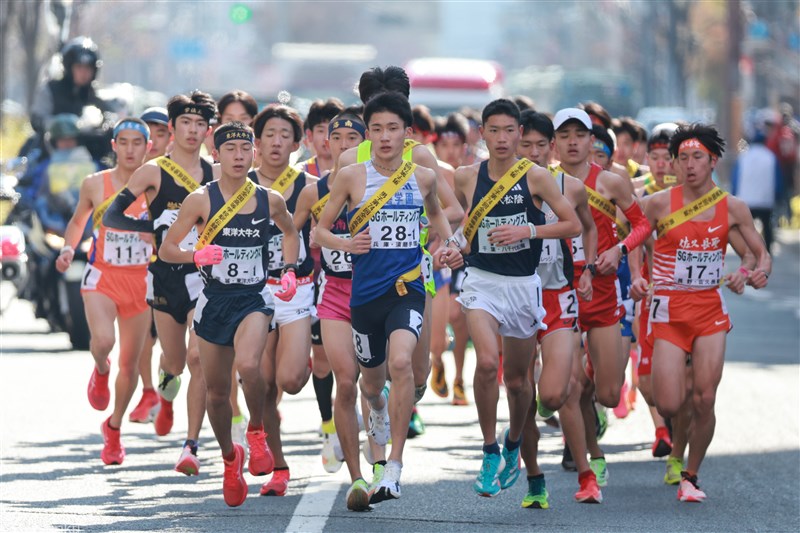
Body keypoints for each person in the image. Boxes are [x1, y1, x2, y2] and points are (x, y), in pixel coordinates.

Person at [315, 90, 463, 504]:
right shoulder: (350, 176)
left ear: (407, 134)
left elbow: (439, 217)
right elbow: (320, 231)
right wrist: (348, 244)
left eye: (392, 129)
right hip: (364, 295)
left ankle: (394, 465)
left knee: (403, 362)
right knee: (371, 384)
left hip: (408, 287)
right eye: (376, 129)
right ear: (369, 133)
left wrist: (449, 246)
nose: (384, 137)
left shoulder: (424, 176)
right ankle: (377, 413)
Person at [158, 121, 298, 507]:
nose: (239, 156)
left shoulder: (270, 199)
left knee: (251, 367)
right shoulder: (200, 200)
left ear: (253, 153)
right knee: (217, 394)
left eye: (244, 148)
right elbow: (167, 249)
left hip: (253, 299)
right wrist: (195, 256)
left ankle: (256, 432)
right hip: (213, 301)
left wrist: (286, 270)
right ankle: (229, 457)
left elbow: (290, 233)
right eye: (230, 149)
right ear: (215, 155)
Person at [452, 99, 580, 498]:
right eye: (495, 130)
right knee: (487, 362)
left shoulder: (538, 178)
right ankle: (489, 449)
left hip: (523, 286)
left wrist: (529, 231)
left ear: (520, 134)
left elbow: (572, 223)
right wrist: (453, 247)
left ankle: (513, 443)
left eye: (510, 131)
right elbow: (464, 226)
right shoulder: (465, 177)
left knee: (520, 382)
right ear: (483, 133)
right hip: (481, 282)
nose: (503, 139)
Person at [640, 123, 771, 502]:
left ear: (712, 160)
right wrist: (632, 268)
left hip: (708, 310)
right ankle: (677, 437)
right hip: (668, 311)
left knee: (705, 398)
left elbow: (758, 252)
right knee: (668, 402)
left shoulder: (732, 207)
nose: (690, 165)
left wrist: (752, 272)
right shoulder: (658, 203)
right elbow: (634, 237)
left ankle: (690, 476)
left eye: (697, 157)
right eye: (683, 158)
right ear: (675, 165)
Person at [103, 91, 220, 476]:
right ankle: (166, 395)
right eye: (185, 123)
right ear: (171, 129)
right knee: (173, 362)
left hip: (204, 276)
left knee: (198, 357)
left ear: (208, 130)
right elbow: (113, 216)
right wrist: (150, 230)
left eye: (199, 124)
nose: (192, 130)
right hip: (164, 276)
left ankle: (191, 446)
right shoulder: (153, 171)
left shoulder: (217, 175)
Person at [553, 107, 651, 502]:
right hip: (560, 292)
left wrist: (621, 250)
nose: (574, 141)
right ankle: (589, 466)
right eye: (566, 135)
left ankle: (593, 377)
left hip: (604, 292)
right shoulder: (542, 182)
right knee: (568, 388)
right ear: (555, 141)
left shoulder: (611, 182)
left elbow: (642, 224)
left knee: (608, 394)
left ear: (593, 140)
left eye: (581, 134)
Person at [55, 117, 153, 465]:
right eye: (123, 142)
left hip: (141, 282)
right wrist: (68, 248)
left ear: (148, 147)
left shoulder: (157, 186)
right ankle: (99, 367)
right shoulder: (96, 184)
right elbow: (79, 220)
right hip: (103, 277)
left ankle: (113, 429)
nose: (129, 149)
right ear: (114, 146)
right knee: (105, 342)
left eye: (136, 143)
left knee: (130, 365)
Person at [515, 109, 597, 508]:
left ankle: (585, 472)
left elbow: (588, 226)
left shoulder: (570, 186)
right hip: (513, 296)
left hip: (557, 294)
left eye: (539, 145)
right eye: (524, 144)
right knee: (522, 397)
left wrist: (586, 268)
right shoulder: (497, 186)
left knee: (556, 392)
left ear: (552, 149)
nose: (532, 152)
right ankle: (535, 479)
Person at [294, 111, 371, 510]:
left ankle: (380, 449)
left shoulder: (380, 184)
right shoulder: (313, 191)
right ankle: (356, 476)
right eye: (333, 136)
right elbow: (292, 233)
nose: (340, 144)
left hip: (377, 292)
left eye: (350, 137)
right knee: (345, 380)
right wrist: (291, 268)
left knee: (374, 385)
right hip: (334, 295)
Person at [248, 104, 316, 497]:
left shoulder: (310, 184)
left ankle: (302, 349)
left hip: (298, 287)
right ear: (256, 142)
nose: (276, 142)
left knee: (290, 380)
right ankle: (277, 465)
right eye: (269, 134)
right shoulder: (241, 183)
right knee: (264, 383)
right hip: (254, 291)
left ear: (297, 142)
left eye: (284, 135)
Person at [129, 106, 171, 425]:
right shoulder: (133, 175)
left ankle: (165, 395)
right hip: (139, 271)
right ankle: (148, 392)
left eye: (160, 133)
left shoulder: (182, 175)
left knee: (172, 348)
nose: (154, 141)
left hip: (177, 270)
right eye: (149, 134)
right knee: (145, 336)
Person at [431, 113, 472, 405]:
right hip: (440, 253)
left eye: (456, 144)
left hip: (470, 253)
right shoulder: (432, 173)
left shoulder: (472, 173)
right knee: (448, 319)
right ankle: (437, 360)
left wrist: (457, 242)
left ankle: (459, 378)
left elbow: (469, 215)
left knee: (459, 318)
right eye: (444, 144)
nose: (450, 151)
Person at [30, 37, 109, 137]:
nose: (84, 73)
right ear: (69, 67)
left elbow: (109, 119)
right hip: (52, 147)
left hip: (89, 150)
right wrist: (56, 125)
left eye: (88, 68)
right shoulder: (51, 90)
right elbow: (37, 119)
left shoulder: (96, 96)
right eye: (79, 67)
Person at [731, 128, 782, 253]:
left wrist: (734, 195)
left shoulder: (743, 157)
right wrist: (778, 196)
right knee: (767, 227)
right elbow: (778, 180)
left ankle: (747, 252)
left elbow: (735, 179)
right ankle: (767, 251)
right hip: (765, 200)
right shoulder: (770, 157)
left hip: (746, 200)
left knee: (746, 228)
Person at [301, 98, 345, 177]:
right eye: (321, 131)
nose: (326, 138)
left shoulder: (353, 171)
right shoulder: (299, 174)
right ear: (310, 135)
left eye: (332, 130)